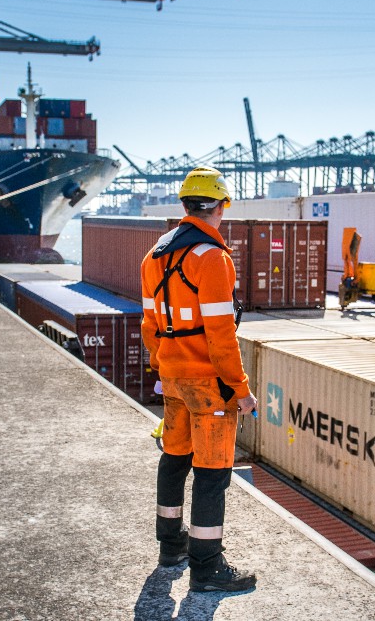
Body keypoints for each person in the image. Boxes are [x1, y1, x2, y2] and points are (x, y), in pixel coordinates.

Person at [140, 167, 258, 593]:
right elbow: (221, 336)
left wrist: (164, 365)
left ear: (185, 205)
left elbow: (149, 325)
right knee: (212, 473)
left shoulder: (154, 256)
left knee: (174, 459)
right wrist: (241, 390)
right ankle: (207, 570)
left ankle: (170, 548)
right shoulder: (213, 259)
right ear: (221, 206)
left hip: (171, 379)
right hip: (209, 385)